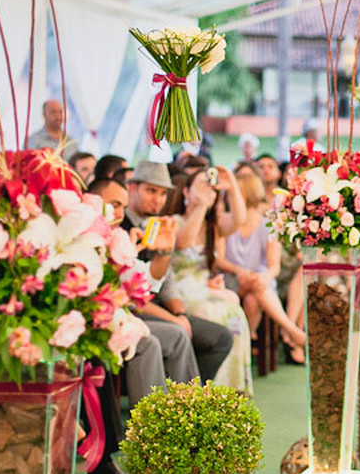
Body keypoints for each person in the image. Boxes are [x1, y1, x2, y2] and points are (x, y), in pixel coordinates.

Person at [90, 177, 202, 408]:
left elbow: (146, 284)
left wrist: (165, 251)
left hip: (120, 317)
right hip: (93, 321)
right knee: (148, 343)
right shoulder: (86, 236)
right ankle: (154, 430)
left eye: (122, 205)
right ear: (92, 202)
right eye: (114, 205)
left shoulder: (118, 236)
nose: (120, 213)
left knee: (178, 336)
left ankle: (192, 413)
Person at [124, 161, 234, 387]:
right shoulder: (121, 228)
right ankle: (185, 403)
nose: (158, 199)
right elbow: (132, 298)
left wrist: (180, 312)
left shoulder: (156, 224)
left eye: (163, 193)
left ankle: (188, 398)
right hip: (132, 310)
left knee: (221, 336)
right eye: (151, 191)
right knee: (180, 333)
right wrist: (175, 318)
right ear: (132, 188)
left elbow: (166, 282)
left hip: (160, 305)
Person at [171, 167, 254, 395]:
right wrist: (201, 206)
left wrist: (232, 185)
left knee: (233, 309)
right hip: (178, 291)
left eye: (210, 186)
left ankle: (231, 388)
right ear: (186, 191)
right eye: (200, 184)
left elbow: (239, 220)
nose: (206, 189)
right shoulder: (174, 221)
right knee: (212, 312)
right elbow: (183, 243)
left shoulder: (212, 226)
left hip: (203, 287)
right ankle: (209, 389)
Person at [215, 169, 306, 362]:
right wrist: (241, 271)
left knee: (253, 298)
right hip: (231, 278)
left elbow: (274, 267)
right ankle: (290, 330)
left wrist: (263, 276)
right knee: (255, 288)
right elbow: (220, 260)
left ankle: (241, 349)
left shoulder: (267, 225)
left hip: (258, 281)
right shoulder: (225, 222)